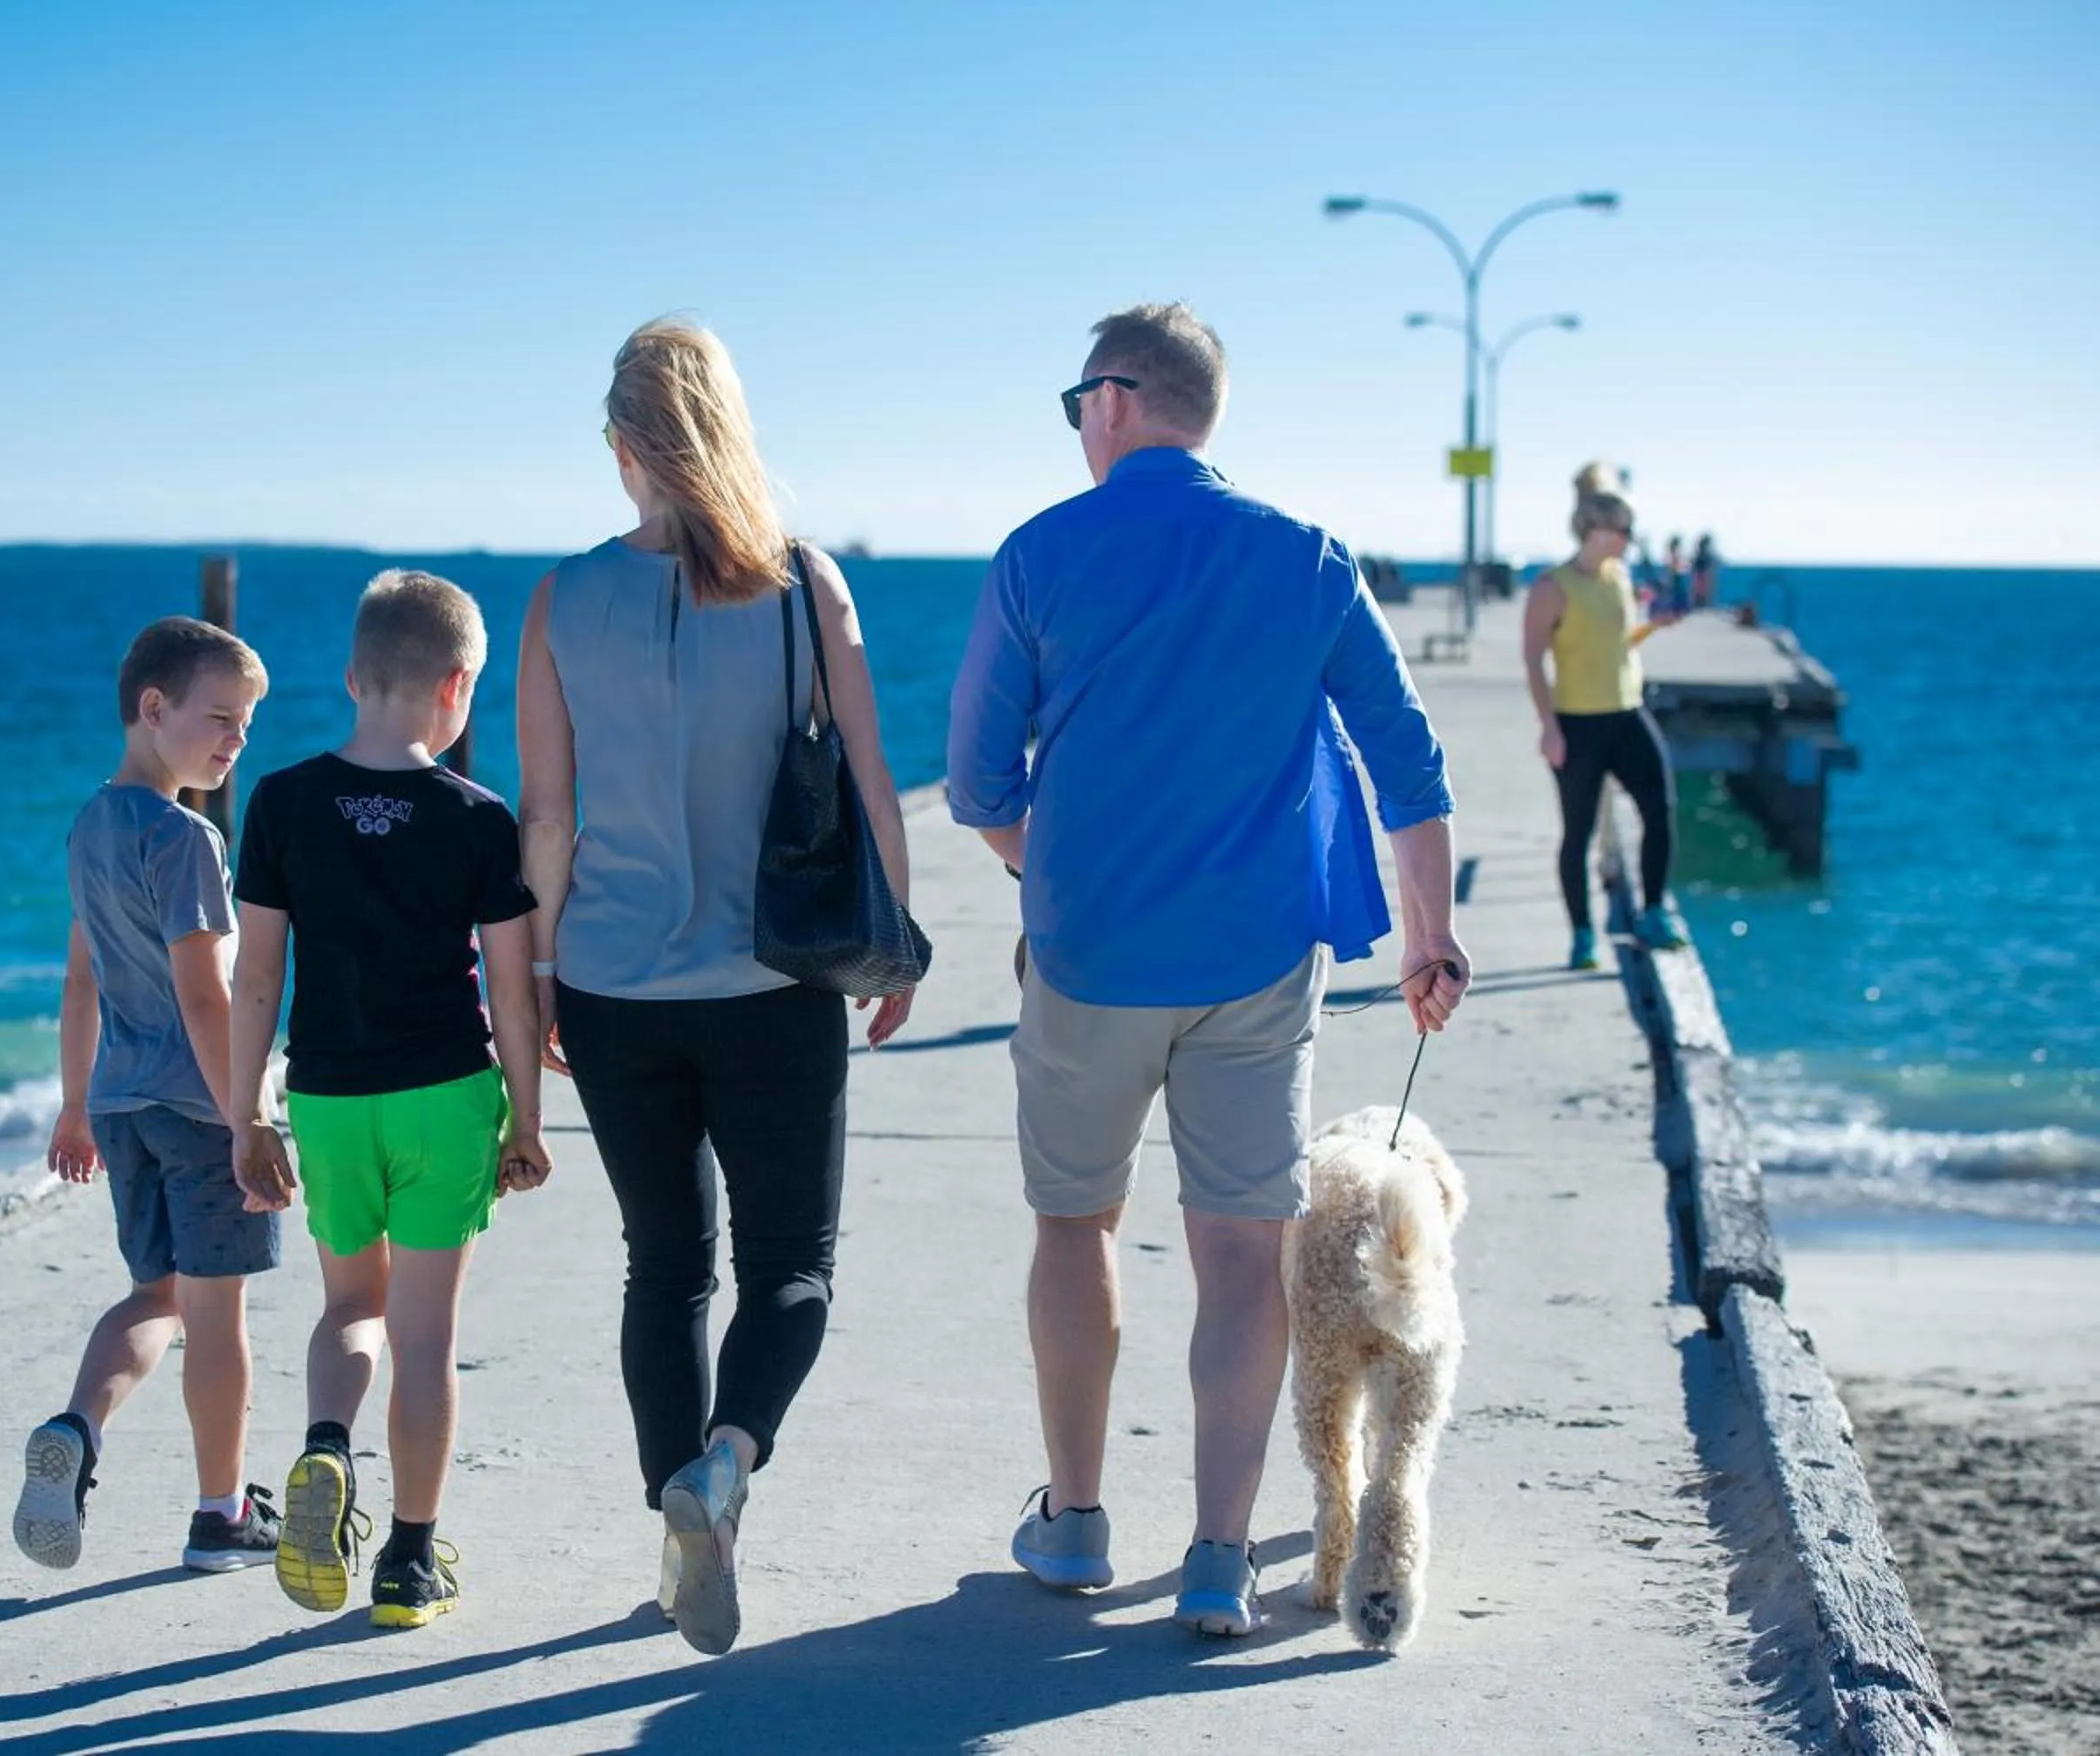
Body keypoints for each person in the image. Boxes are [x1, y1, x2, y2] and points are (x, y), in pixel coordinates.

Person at [948, 304, 1468, 1638]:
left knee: (1078, 1226)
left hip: (1088, 957)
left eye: (1077, 403)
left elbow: (973, 782)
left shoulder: (1038, 556)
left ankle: (1073, 1527)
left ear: (1116, 399)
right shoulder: (1307, 559)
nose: (1077, 425)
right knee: (1243, 1260)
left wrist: (1041, 868)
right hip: (1252, 965)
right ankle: (1221, 1559)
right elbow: (1408, 764)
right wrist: (1428, 936)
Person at [514, 318, 916, 1656]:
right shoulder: (808, 586)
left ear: (623, 448)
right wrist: (895, 940)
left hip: (617, 988)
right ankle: (725, 1468)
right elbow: (867, 780)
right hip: (776, 981)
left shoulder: (562, 600)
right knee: (791, 1265)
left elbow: (548, 823)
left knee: (664, 1269)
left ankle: (680, 1523)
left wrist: (546, 978)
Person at [224, 570, 552, 1630]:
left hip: (327, 1095)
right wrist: (528, 1117)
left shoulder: (280, 801)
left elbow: (257, 977)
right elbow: (510, 984)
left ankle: (325, 1446)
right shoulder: (476, 816)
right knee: (424, 1335)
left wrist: (247, 1113)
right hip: (445, 1095)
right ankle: (410, 1562)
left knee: (350, 1309)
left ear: (354, 676)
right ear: (458, 688)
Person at [17, 616, 283, 1576]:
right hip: (196, 1106)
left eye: (247, 725)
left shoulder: (90, 825)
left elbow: (80, 981)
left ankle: (76, 1428)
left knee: (154, 1296)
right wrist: (245, 1120)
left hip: (124, 1106)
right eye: (219, 718)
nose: (235, 741)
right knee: (217, 1314)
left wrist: (76, 1103)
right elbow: (206, 994)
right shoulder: (187, 838)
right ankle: (222, 1515)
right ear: (153, 707)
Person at [1523, 482, 1687, 969]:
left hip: (1627, 712)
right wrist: (1549, 727)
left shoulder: (1618, 578)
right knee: (1578, 833)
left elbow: (1615, 645)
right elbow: (1533, 659)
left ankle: (1653, 913)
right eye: (1624, 529)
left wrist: (1655, 627)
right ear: (1595, 528)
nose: (1629, 539)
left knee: (1660, 808)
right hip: (1577, 724)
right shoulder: (1553, 587)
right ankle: (1582, 935)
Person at [1692, 532, 1720, 609]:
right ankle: (1701, 604)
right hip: (1701, 575)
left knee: (1704, 592)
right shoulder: (1701, 554)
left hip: (1702, 575)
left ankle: (1703, 604)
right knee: (1701, 592)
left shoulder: (1703, 554)